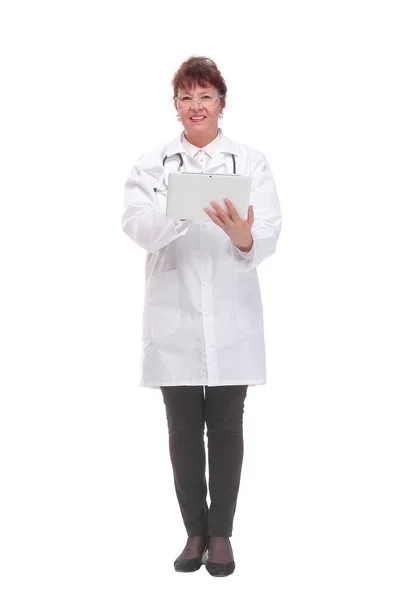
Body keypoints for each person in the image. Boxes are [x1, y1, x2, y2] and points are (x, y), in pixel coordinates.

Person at [121, 56, 282, 577]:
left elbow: (269, 229)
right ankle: (193, 530)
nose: (196, 107)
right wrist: (180, 212)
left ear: (222, 103)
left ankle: (221, 534)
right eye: (186, 98)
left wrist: (244, 239)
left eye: (205, 96)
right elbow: (135, 225)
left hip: (231, 318)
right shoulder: (154, 165)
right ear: (175, 106)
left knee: (227, 429)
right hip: (176, 317)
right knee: (183, 431)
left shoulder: (250, 162)